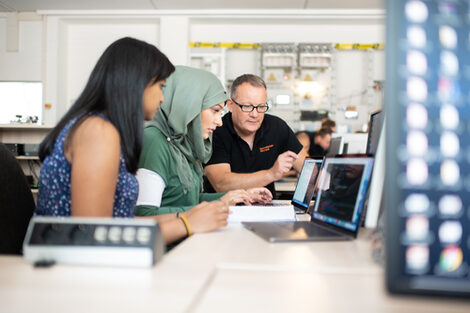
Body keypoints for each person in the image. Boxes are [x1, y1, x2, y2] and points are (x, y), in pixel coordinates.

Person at [35, 37, 228, 245]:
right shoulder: (98, 131)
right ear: (138, 84)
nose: (163, 98)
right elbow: (92, 233)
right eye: (161, 86)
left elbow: (119, 221)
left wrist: (186, 217)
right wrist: (185, 225)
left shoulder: (100, 127)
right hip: (69, 266)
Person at [136, 66, 272, 217]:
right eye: (215, 110)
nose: (220, 122)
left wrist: (237, 196)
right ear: (188, 105)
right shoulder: (155, 140)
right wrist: (219, 204)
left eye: (221, 113)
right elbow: (144, 215)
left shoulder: (183, 145)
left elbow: (190, 201)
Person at [204, 74, 306, 196]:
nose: (255, 114)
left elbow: (308, 170)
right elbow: (221, 183)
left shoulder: (276, 127)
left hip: (267, 208)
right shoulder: (215, 131)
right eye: (247, 106)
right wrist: (271, 174)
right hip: (226, 210)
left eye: (261, 107)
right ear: (231, 105)